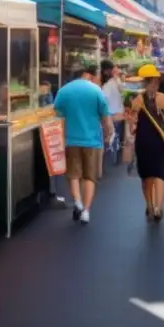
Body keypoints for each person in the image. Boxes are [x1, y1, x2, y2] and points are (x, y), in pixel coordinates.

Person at [54, 65, 113, 225]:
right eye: (95, 75)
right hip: (92, 141)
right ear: (87, 75)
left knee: (73, 174)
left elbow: (58, 114)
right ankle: (86, 211)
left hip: (71, 140)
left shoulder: (64, 91)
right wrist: (110, 132)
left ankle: (77, 202)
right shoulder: (96, 91)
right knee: (89, 177)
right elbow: (106, 116)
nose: (96, 78)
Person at [129, 64, 164, 221]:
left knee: (146, 177)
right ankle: (158, 207)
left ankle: (149, 205)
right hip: (160, 141)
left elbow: (133, 125)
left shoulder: (137, 101)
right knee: (159, 175)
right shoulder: (163, 99)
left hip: (143, 142)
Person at [100, 60, 125, 153]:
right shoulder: (116, 80)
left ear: (105, 71)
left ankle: (112, 149)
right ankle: (116, 149)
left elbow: (103, 101)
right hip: (119, 112)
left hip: (111, 114)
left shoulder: (107, 85)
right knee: (116, 134)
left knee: (111, 135)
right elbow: (123, 90)